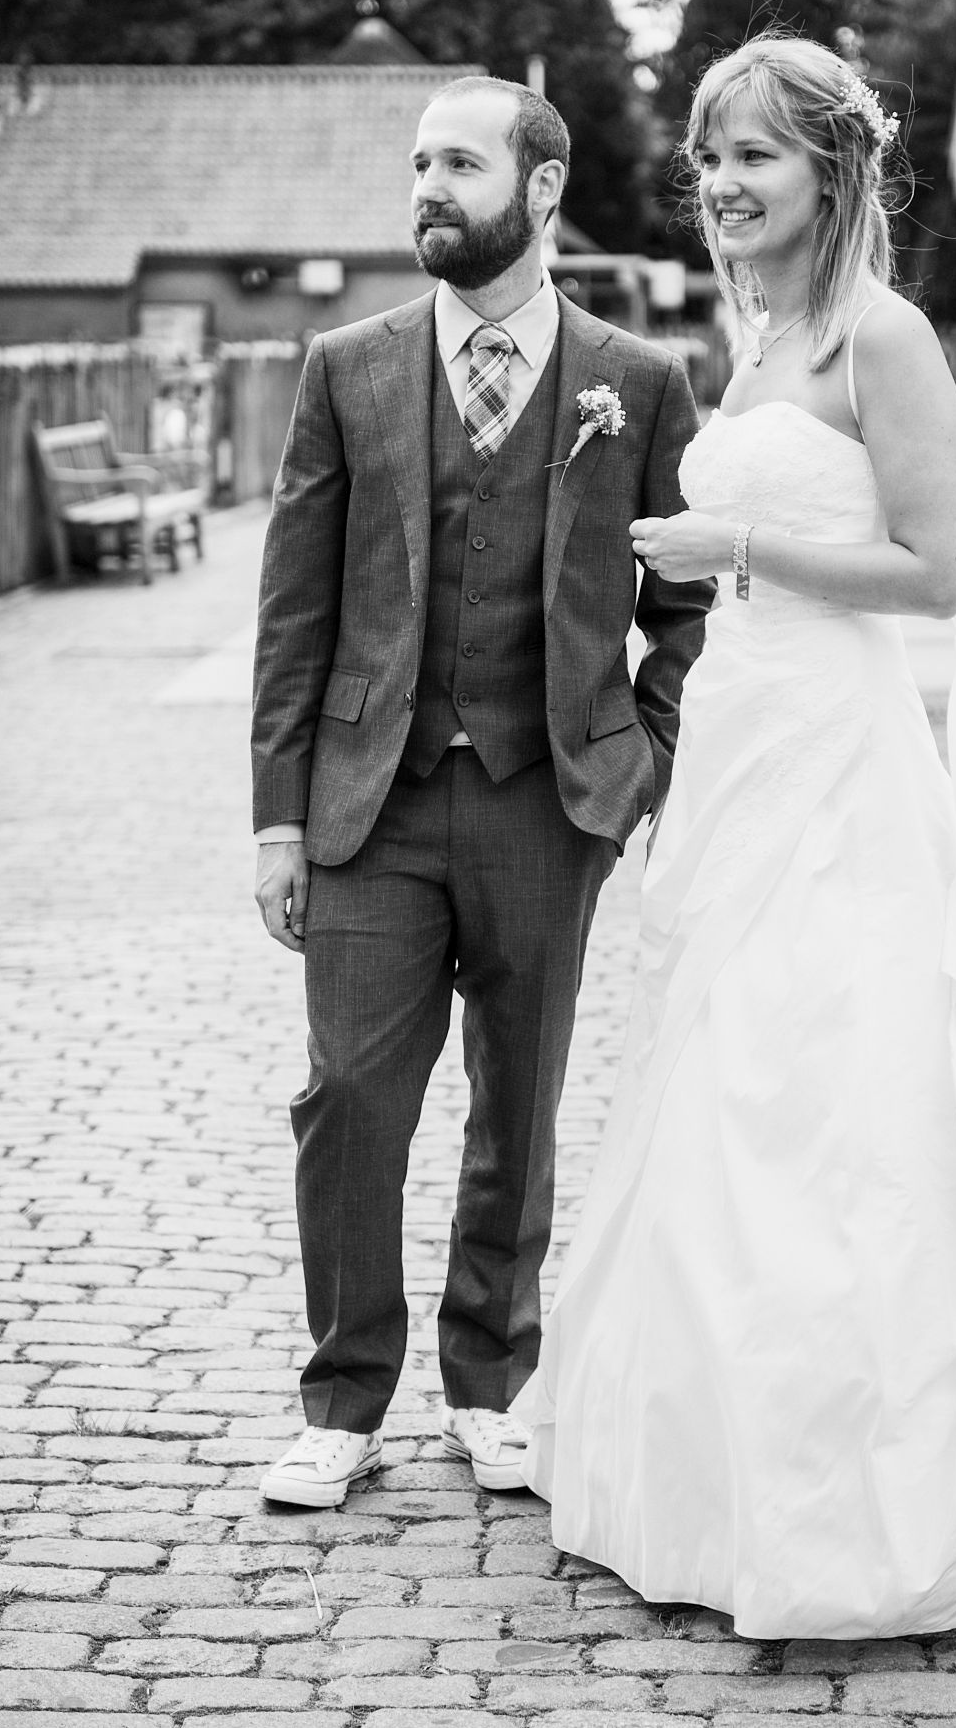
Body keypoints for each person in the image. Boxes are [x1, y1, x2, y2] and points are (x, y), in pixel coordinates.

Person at [517, 37, 956, 1639]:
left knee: (849, 1087)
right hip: (746, 738)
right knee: (726, 1075)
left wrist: (732, 542)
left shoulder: (881, 336)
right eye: (711, 157)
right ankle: (712, 1462)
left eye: (754, 155)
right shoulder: (759, 337)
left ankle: (887, 1488)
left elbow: (936, 574)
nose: (722, 183)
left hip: (844, 752)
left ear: (831, 172)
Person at [250, 77, 714, 1509]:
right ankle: (342, 1400)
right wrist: (278, 817)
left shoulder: (638, 382)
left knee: (519, 1102)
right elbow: (294, 607)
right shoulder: (348, 366)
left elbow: (687, 606)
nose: (427, 190)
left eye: (459, 163)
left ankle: (491, 1383)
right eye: (418, 165)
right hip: (369, 803)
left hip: (546, 801)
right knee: (348, 1098)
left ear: (543, 186)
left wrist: (638, 760)